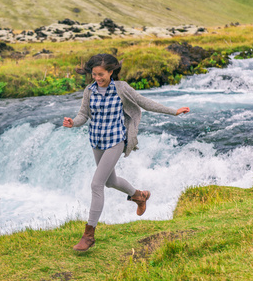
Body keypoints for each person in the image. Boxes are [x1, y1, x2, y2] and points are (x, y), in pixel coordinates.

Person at [63, 53, 190, 252]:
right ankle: (139, 196)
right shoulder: (89, 90)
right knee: (110, 182)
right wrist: (73, 122)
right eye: (94, 75)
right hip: (96, 140)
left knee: (97, 184)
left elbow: (144, 103)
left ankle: (88, 235)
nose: (97, 78)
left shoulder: (121, 88)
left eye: (101, 74)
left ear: (111, 72)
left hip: (115, 140)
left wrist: (173, 111)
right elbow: (83, 115)